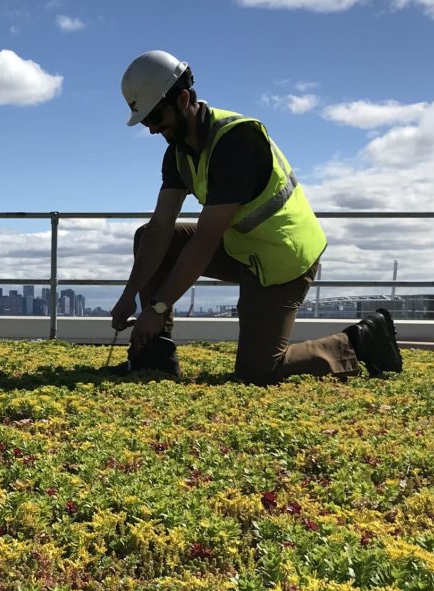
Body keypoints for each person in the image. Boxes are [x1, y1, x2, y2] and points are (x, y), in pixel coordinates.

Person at [108, 50, 402, 382]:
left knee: (258, 371)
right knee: (147, 235)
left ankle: (361, 341)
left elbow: (205, 241)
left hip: (283, 261)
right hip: (243, 248)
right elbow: (161, 227)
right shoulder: (177, 153)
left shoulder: (237, 141)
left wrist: (157, 308)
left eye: (156, 117)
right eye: (146, 121)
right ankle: (156, 356)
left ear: (184, 98)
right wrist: (129, 294)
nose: (152, 129)